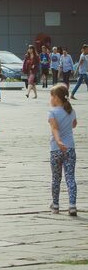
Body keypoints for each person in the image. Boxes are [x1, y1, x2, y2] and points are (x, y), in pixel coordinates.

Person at [48, 84, 78, 216]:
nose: (50, 99)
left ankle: (55, 205)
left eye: (51, 96)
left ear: (56, 98)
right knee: (70, 177)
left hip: (56, 149)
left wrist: (59, 141)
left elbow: (54, 128)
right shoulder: (71, 110)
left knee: (56, 178)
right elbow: (74, 124)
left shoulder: (52, 112)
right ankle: (72, 205)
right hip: (70, 148)